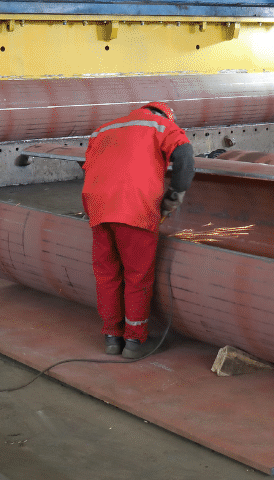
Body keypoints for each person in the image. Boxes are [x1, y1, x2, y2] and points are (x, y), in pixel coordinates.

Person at [81, 101, 194, 358]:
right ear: (167, 115)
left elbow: (89, 167)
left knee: (107, 274)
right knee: (137, 276)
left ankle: (112, 338)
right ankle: (133, 341)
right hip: (134, 207)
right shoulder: (162, 125)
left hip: (97, 206)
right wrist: (174, 194)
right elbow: (185, 155)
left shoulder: (104, 129)